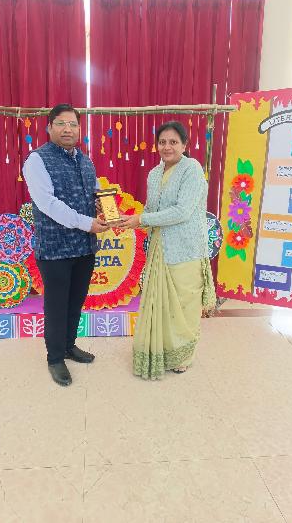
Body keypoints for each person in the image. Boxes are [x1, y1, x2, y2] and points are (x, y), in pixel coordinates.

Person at [120, 121, 216, 380]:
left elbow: (182, 211)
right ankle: (160, 351)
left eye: (173, 142)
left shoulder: (192, 169)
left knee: (183, 304)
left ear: (184, 145)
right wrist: (127, 219)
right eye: (162, 142)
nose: (167, 147)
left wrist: (142, 219)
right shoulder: (154, 173)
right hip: (160, 248)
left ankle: (182, 356)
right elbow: (151, 211)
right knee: (160, 305)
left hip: (186, 248)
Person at [23, 104, 108, 387]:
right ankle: (55, 358)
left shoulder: (85, 160)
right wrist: (86, 222)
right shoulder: (37, 160)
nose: (68, 129)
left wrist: (102, 204)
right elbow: (48, 204)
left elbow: (94, 191)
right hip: (55, 248)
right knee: (57, 306)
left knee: (75, 302)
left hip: (84, 247)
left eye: (73, 124)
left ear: (80, 129)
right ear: (49, 127)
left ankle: (69, 346)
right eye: (61, 123)